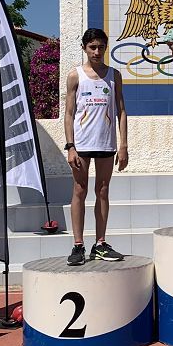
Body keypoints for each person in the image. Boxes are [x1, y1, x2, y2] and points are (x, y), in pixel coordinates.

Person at [63, 28, 129, 265]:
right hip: (81, 143)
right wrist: (70, 146)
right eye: (92, 47)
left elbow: (121, 110)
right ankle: (78, 245)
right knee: (80, 189)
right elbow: (69, 113)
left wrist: (123, 145)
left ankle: (100, 243)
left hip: (106, 142)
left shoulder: (114, 75)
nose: (97, 51)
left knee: (102, 190)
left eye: (101, 47)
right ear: (84, 47)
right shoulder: (75, 75)